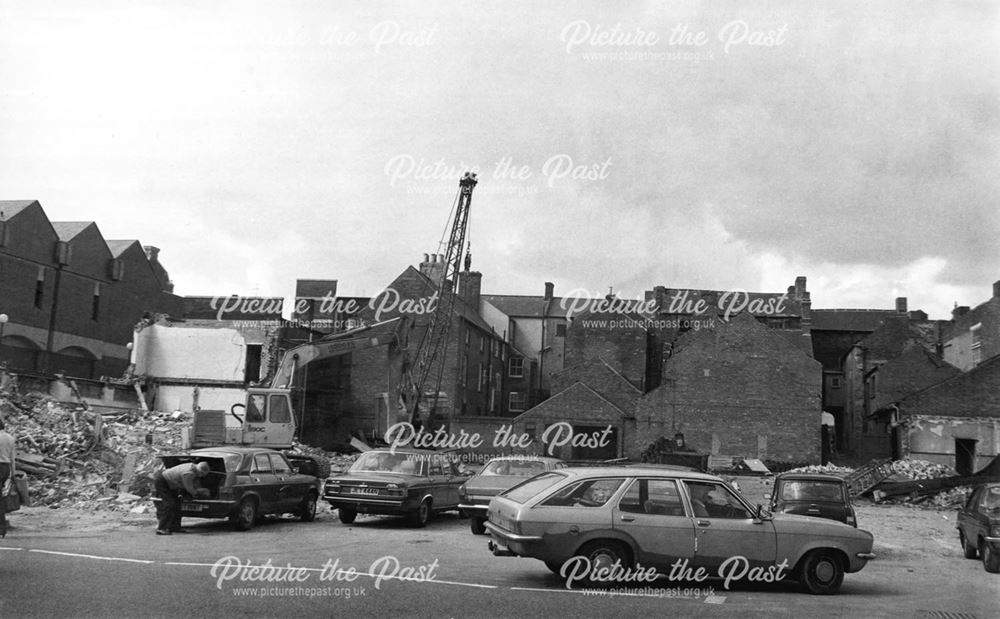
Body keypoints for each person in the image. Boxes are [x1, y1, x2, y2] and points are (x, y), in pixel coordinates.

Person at [154, 461, 210, 535]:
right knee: (169, 505)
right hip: (163, 482)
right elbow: (189, 488)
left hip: (171, 484)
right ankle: (161, 528)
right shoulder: (188, 473)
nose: (201, 476)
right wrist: (198, 494)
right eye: (202, 474)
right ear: (200, 471)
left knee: (177, 504)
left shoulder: (193, 467)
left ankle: (174, 527)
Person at [0, 418, 15, 539]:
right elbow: (12, 458)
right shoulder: (10, 438)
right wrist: (13, 473)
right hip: (5, 467)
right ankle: (2, 527)